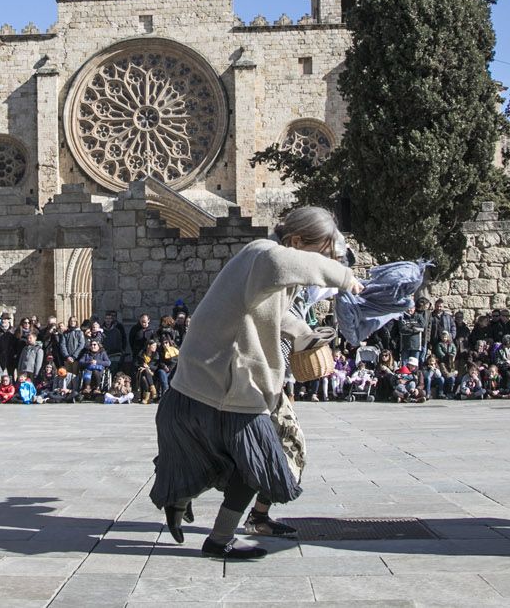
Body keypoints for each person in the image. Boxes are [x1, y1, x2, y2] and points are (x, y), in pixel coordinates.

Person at [150, 205, 361, 561]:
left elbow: (273, 314)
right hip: (226, 383)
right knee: (257, 463)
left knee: (224, 460)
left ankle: (179, 500)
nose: (320, 260)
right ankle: (218, 539)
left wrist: (306, 335)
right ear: (294, 240)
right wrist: (343, 277)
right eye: (319, 251)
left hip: (212, 382)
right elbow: (292, 265)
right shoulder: (265, 255)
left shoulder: (263, 268)